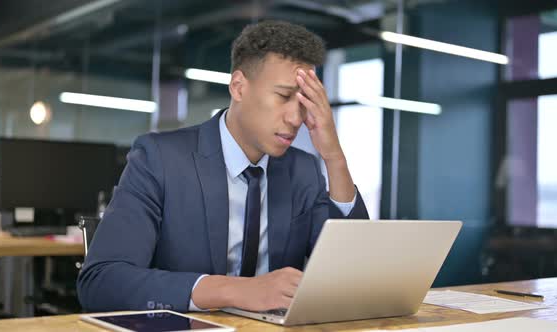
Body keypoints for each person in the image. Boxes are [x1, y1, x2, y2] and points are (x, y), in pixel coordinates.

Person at [77, 20, 368, 313]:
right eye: (283, 96)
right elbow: (101, 281)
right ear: (239, 87)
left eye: (305, 102)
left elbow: (353, 276)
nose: (296, 118)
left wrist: (334, 156)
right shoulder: (160, 159)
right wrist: (234, 291)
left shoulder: (302, 171)